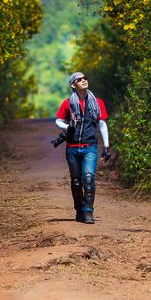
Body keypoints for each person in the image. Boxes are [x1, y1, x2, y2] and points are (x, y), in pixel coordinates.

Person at [54, 72, 111, 223]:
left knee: (88, 178)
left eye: (85, 78)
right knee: (76, 182)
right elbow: (58, 120)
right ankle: (79, 209)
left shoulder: (97, 102)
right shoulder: (68, 103)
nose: (84, 80)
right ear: (73, 85)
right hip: (72, 148)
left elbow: (102, 124)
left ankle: (88, 212)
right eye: (79, 80)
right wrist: (68, 126)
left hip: (90, 146)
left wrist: (106, 146)